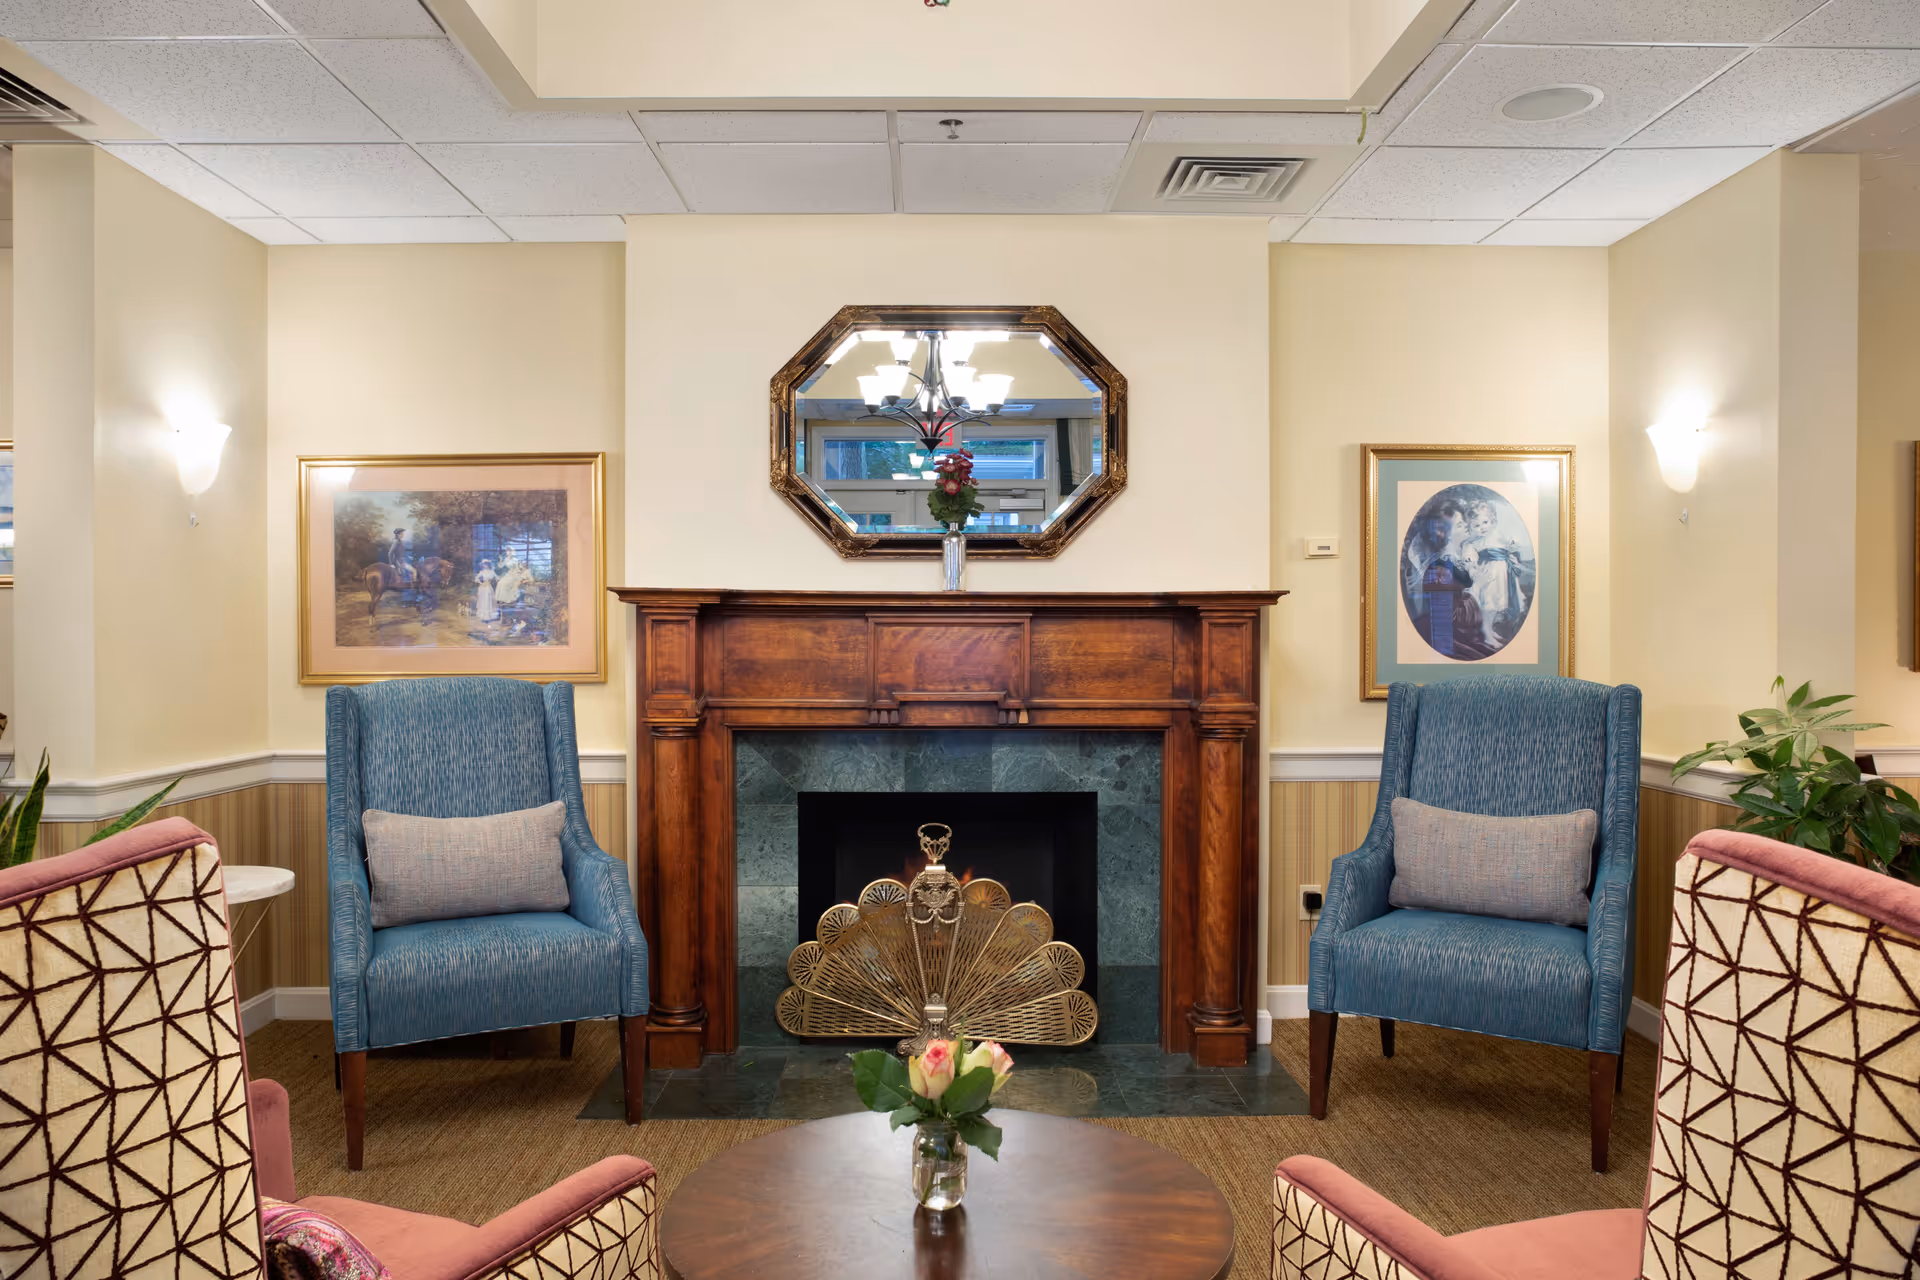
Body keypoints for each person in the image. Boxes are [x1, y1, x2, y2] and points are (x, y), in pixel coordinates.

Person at [1456, 500, 1527, 650]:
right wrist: (1473, 569)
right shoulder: (1472, 543)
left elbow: (1511, 547)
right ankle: (1486, 634)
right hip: (1488, 578)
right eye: (1476, 525)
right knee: (1488, 607)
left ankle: (1491, 632)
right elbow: (1469, 559)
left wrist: (1513, 550)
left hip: (1503, 577)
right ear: (1470, 527)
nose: (1482, 528)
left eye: (1485, 522)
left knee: (1497, 606)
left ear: (1492, 521)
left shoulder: (1498, 536)